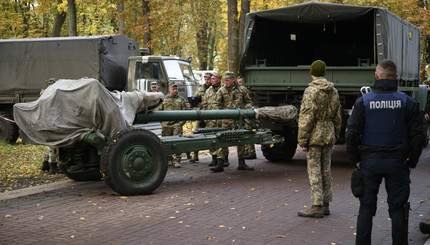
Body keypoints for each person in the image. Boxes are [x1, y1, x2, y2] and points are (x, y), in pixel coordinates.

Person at [346, 59, 425, 244]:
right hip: (397, 162)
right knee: (398, 210)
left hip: (369, 162)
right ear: (396, 77)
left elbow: (351, 134)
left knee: (366, 209)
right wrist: (411, 162)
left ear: (376, 76)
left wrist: (356, 159)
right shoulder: (408, 102)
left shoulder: (363, 102)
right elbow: (418, 137)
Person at [297, 60, 341, 218]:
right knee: (326, 169)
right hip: (328, 133)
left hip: (315, 135)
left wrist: (302, 140)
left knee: (314, 170)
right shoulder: (333, 90)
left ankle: (316, 205)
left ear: (312, 72)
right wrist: (335, 135)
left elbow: (306, 117)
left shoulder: (311, 91)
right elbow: (337, 116)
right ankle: (326, 203)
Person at [211, 71, 254, 173]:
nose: (226, 82)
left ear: (233, 80)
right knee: (222, 139)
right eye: (225, 80)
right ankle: (220, 163)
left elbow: (248, 102)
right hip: (226, 119)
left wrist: (245, 111)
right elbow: (216, 105)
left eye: (228, 80)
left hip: (239, 119)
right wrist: (222, 117)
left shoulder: (242, 90)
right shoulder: (221, 90)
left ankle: (241, 163)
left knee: (241, 139)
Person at [158, 82, 188, 168]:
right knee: (166, 143)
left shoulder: (181, 99)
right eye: (173, 89)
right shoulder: (164, 99)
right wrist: (163, 123)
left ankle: (177, 160)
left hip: (176, 125)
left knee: (177, 143)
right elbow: (158, 111)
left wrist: (180, 123)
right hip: (166, 125)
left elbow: (186, 112)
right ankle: (169, 159)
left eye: (176, 89)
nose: (175, 90)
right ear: (169, 89)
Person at [201, 72, 223, 167]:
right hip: (210, 121)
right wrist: (206, 118)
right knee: (211, 140)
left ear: (218, 79)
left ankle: (221, 160)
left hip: (220, 120)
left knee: (221, 140)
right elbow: (205, 104)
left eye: (213, 78)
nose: (211, 80)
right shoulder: (208, 90)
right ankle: (214, 158)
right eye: (211, 79)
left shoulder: (223, 89)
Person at [189, 72, 212, 163]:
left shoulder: (215, 89)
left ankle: (214, 157)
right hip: (201, 114)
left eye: (208, 79)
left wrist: (205, 104)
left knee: (212, 134)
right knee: (196, 133)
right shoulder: (201, 88)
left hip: (211, 115)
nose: (206, 81)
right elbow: (196, 97)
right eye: (205, 79)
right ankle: (195, 155)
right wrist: (192, 103)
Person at [237, 75, 257, 160]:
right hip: (241, 113)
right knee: (242, 132)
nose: (239, 84)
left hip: (247, 113)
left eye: (241, 82)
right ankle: (245, 151)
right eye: (238, 82)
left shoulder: (246, 91)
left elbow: (249, 102)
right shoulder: (238, 91)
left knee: (248, 131)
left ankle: (252, 152)